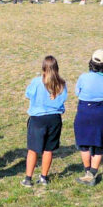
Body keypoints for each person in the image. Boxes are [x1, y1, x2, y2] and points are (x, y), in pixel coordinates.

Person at [22, 56, 67, 187]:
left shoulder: (36, 82)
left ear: (43, 68)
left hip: (37, 119)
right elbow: (63, 98)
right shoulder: (62, 83)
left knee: (33, 149)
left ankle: (28, 178)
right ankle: (43, 177)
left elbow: (28, 94)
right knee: (48, 149)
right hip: (54, 119)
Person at [73, 50, 103, 186]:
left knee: (84, 143)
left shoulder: (83, 77)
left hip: (84, 111)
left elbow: (77, 93)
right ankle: (92, 173)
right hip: (102, 111)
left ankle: (87, 172)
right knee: (99, 143)